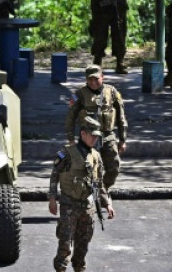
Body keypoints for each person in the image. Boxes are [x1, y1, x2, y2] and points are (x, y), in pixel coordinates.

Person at [49, 116, 116, 272]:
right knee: (65, 245)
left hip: (87, 208)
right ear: (83, 133)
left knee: (82, 247)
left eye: (96, 136)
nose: (94, 139)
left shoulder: (96, 156)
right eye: (92, 135)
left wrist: (107, 203)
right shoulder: (66, 152)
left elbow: (99, 183)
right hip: (68, 206)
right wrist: (52, 198)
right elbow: (55, 174)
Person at [65, 65, 128, 190]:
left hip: (107, 135)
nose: (93, 82)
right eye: (90, 80)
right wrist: (71, 138)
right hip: (88, 137)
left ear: (102, 77)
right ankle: (88, 193)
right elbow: (70, 117)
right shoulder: (80, 94)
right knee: (88, 169)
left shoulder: (112, 91)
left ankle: (103, 190)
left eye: (96, 79)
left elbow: (121, 118)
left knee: (114, 167)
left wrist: (122, 139)